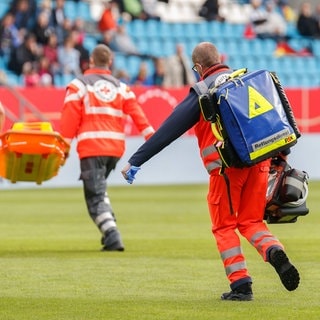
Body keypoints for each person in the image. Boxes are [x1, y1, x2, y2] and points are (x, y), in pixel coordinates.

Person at [121, 41, 300, 300]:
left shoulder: (203, 90)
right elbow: (276, 121)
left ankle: (241, 285)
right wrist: (281, 158)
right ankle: (274, 251)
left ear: (198, 67)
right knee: (251, 222)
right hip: (260, 163)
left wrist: (136, 160)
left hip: (226, 170)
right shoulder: (245, 81)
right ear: (221, 58)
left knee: (223, 226)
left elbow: (170, 129)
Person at [60, 44, 155, 251]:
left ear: (90, 62)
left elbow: (69, 122)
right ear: (110, 62)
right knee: (99, 188)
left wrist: (63, 150)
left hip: (92, 147)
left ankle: (112, 234)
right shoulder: (122, 88)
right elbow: (137, 113)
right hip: (115, 148)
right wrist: (151, 136)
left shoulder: (79, 86)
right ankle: (109, 226)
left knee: (94, 196)